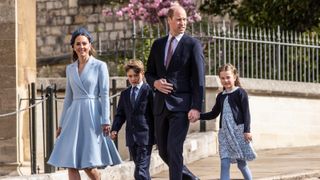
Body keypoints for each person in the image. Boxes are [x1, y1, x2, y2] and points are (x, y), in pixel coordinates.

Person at [48, 27, 122, 180]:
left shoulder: (100, 66)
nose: (81, 47)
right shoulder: (70, 69)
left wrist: (105, 120)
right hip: (73, 118)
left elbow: (104, 94)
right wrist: (61, 125)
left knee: (89, 164)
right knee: (71, 162)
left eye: (84, 43)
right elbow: (68, 97)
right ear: (73, 47)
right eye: (78, 44)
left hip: (92, 115)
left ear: (90, 45)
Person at [145, 4, 205, 180]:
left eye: (185, 19)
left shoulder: (192, 45)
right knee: (164, 151)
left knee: (174, 149)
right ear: (169, 20)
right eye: (179, 19)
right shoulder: (158, 45)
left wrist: (196, 106)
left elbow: (199, 79)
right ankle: (192, 179)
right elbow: (148, 73)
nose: (183, 23)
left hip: (181, 107)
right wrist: (155, 83)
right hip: (160, 107)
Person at [192, 63, 256, 180]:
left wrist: (247, 130)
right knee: (224, 163)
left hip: (238, 132)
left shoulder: (240, 93)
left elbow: (246, 113)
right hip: (224, 134)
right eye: (222, 78)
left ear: (234, 77)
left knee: (241, 164)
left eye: (228, 77)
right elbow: (213, 113)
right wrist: (199, 116)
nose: (225, 80)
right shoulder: (220, 96)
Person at [110, 59, 155, 180]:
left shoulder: (149, 91)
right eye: (130, 76)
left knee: (140, 172)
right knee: (142, 171)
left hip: (146, 137)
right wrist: (115, 129)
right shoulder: (125, 94)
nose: (133, 79)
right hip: (131, 138)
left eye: (136, 75)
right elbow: (120, 114)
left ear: (142, 74)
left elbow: (155, 114)